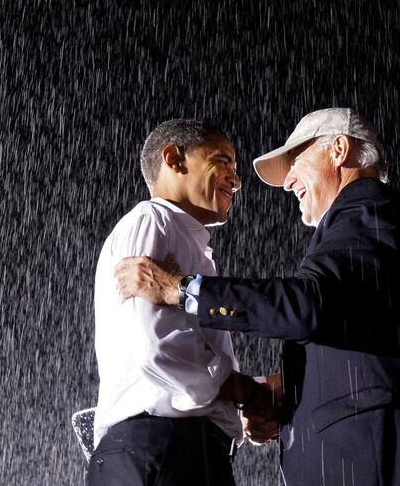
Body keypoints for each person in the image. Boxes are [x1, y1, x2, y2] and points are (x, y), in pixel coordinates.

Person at [115, 108, 400, 485]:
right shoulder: (368, 224)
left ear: (339, 150)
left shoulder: (367, 209)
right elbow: (360, 335)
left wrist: (182, 289)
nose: (288, 181)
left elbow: (310, 305)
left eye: (296, 160)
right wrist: (289, 396)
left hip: (383, 465)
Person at [87, 119, 279, 486]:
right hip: (162, 449)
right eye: (223, 161)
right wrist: (248, 392)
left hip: (169, 450)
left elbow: (175, 370)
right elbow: (157, 348)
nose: (236, 180)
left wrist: (238, 405)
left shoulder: (184, 241)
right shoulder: (153, 220)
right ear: (174, 158)